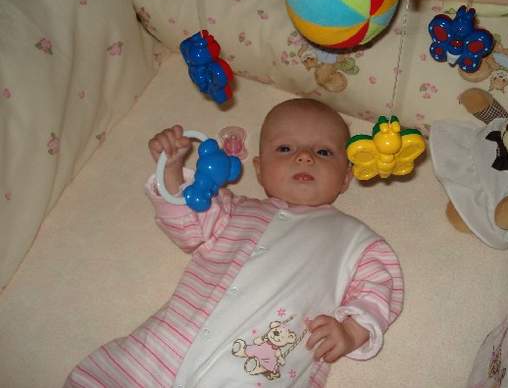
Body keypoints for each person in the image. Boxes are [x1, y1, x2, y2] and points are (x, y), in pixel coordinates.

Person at [65, 98, 403, 388]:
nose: (304, 157)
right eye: (285, 149)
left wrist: (350, 332)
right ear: (259, 169)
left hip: (259, 371)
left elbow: (378, 289)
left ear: (346, 176)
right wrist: (171, 169)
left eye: (323, 151)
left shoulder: (356, 240)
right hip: (165, 354)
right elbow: (187, 223)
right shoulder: (233, 209)